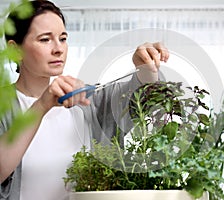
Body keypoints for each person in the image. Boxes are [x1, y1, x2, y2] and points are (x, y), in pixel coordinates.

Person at [0, 0, 169, 200]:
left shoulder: (87, 102)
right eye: (45, 39)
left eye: (63, 39)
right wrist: (42, 105)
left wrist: (147, 71)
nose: (58, 49)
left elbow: (140, 99)